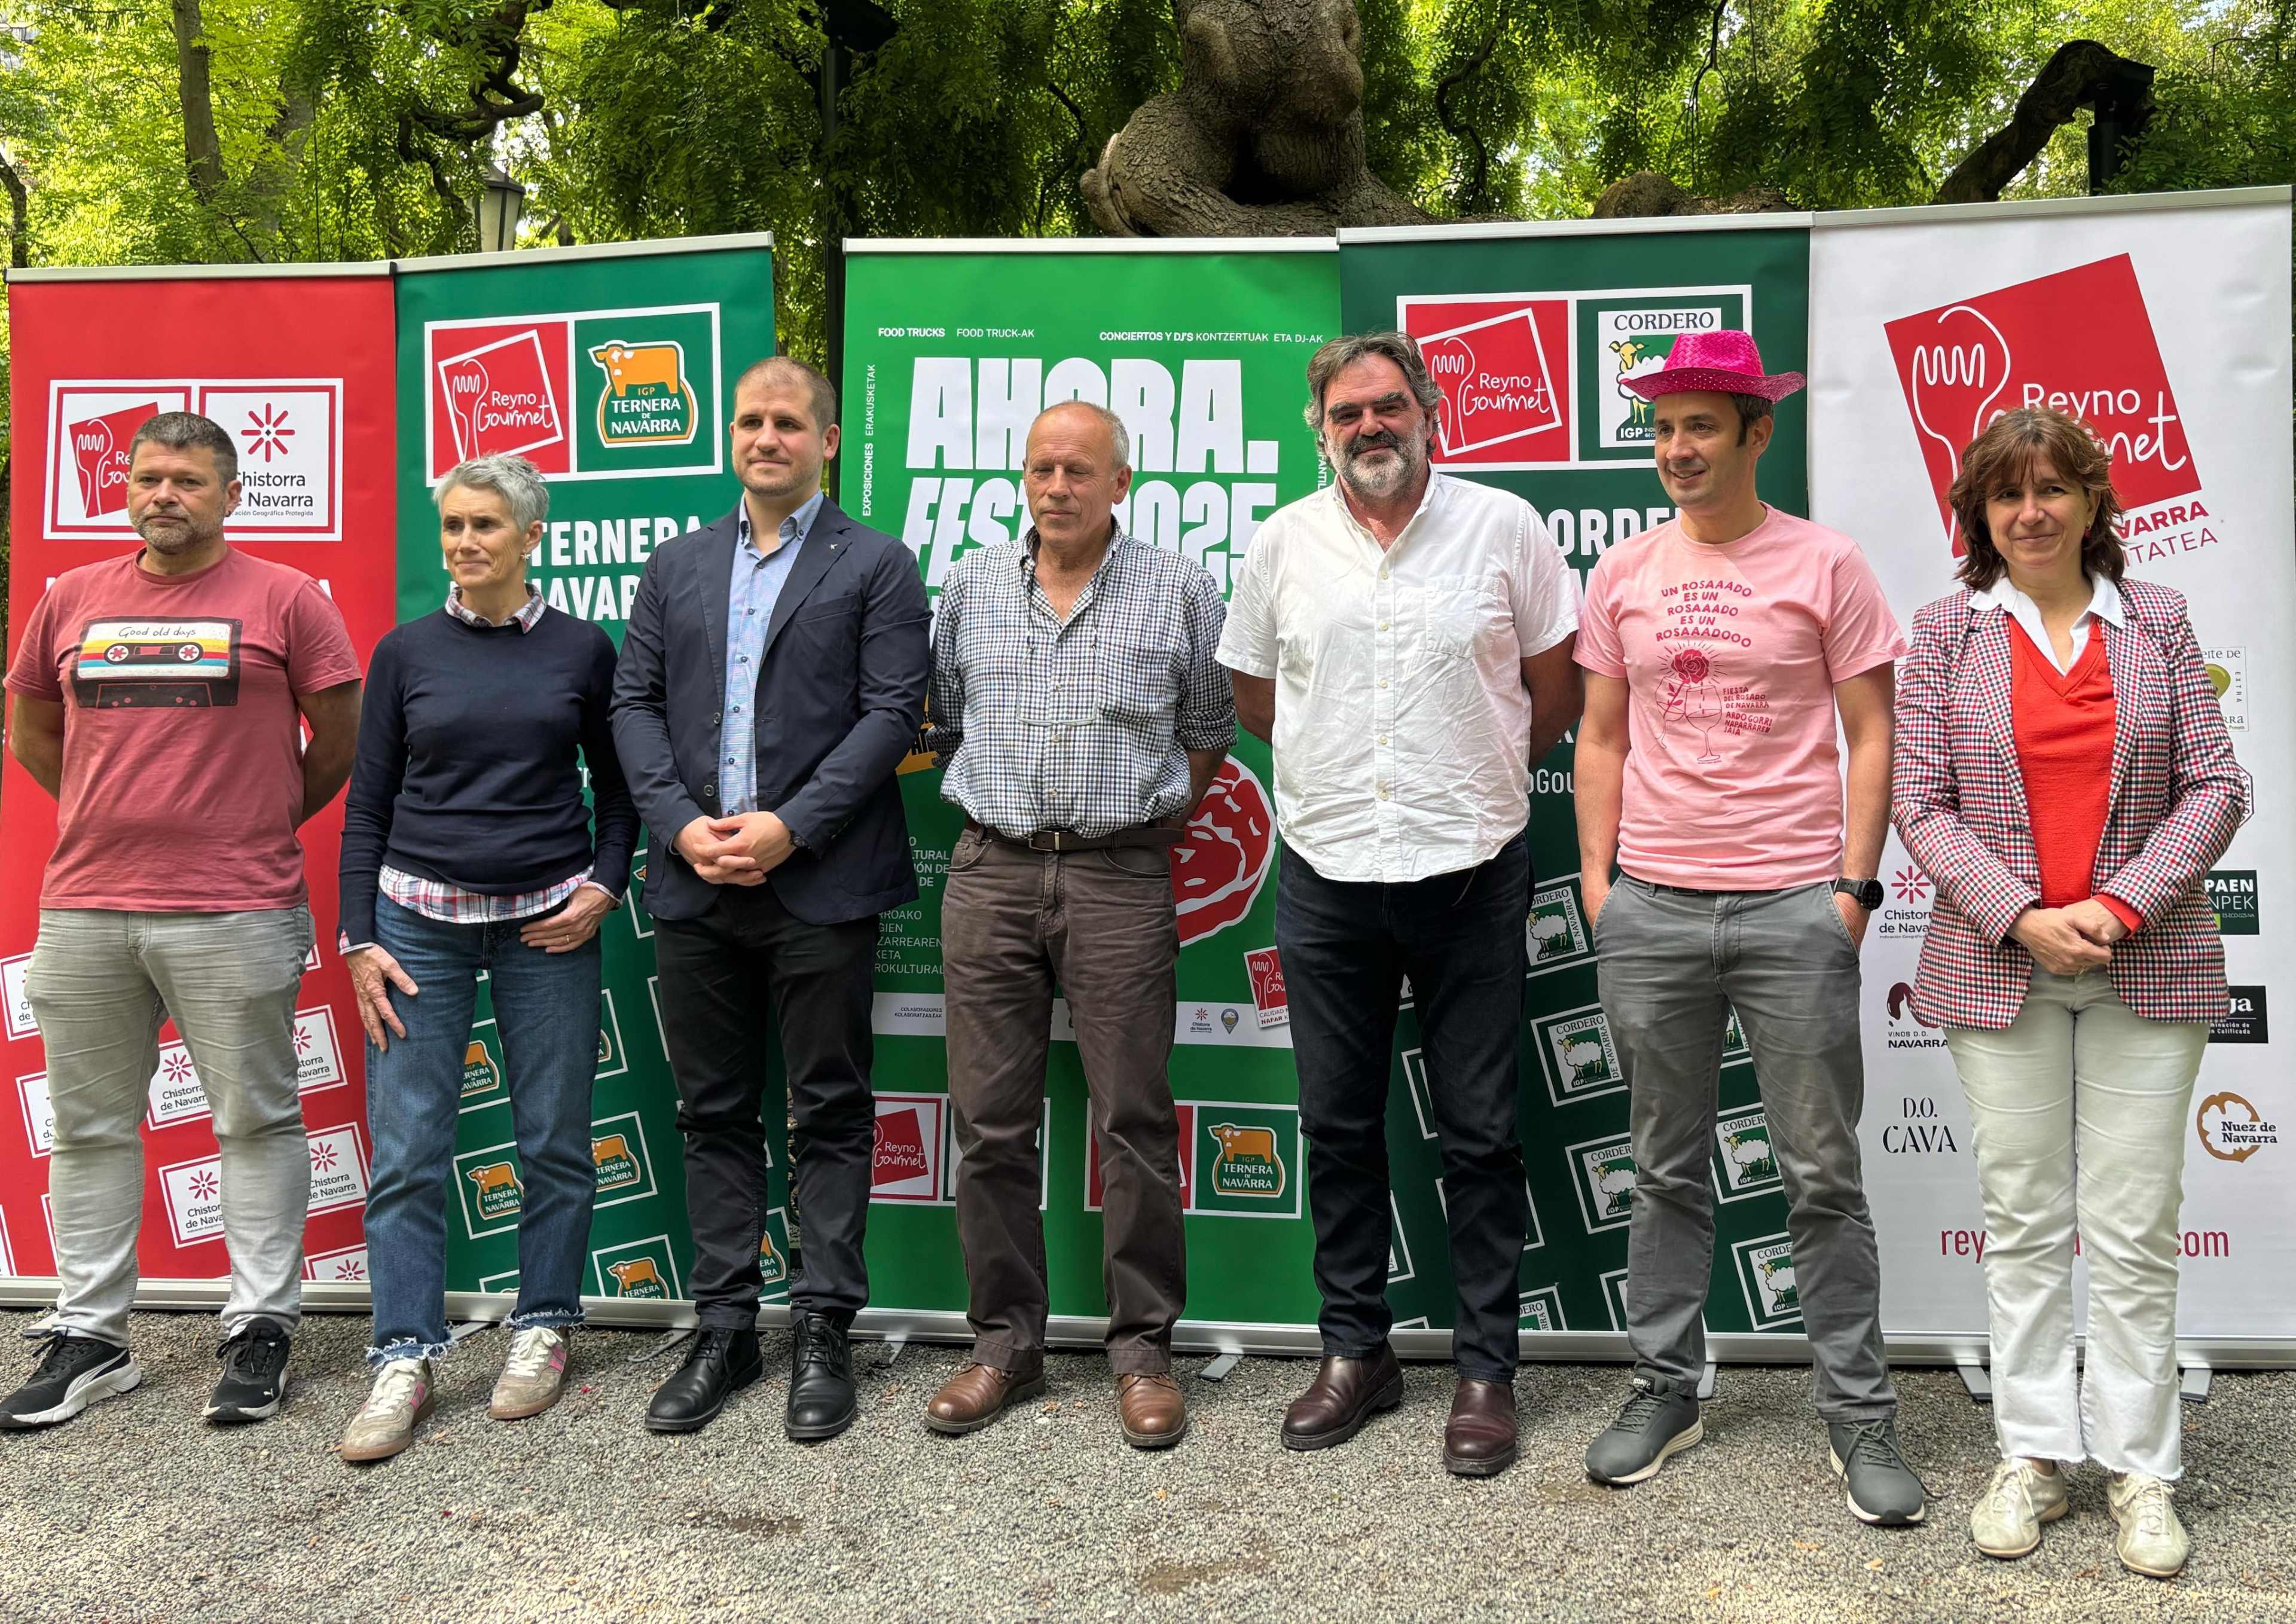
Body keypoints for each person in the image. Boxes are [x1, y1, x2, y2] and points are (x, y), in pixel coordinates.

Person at [1573, 330, 1926, 1526]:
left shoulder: (1826, 564)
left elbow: (1873, 731)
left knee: (1822, 1173)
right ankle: (1668, 1384)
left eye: (1702, 427)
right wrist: (1597, 883)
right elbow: (1602, 736)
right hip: (1653, 907)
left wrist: (1852, 889)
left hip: (1793, 908)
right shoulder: (1621, 572)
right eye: (1664, 429)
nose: (1678, 449)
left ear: (1755, 433)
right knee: (1664, 1167)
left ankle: (1860, 1412)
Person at [1894, 406, 2248, 1577]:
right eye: (2007, 494)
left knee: (2137, 1226)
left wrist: (2119, 905)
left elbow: (2215, 783)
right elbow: (1921, 804)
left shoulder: (2159, 620)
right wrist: (2023, 916)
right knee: (2028, 1220)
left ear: (2094, 503)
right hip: (2004, 971)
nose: (2031, 510)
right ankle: (2036, 1451)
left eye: (2053, 489)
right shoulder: (1946, 631)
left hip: (2147, 962)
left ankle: (2143, 1468)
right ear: (1981, 516)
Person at [1219, 331, 1581, 1478]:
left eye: (1389, 406)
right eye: (1347, 413)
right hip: (1327, 875)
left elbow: (1557, 690)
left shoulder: (1505, 528)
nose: (1370, 427)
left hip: (1472, 873)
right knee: (1336, 1126)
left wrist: (1464, 774)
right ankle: (1356, 1353)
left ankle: (1486, 1372)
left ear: (1431, 410)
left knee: (1478, 1133)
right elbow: (1257, 696)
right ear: (1319, 428)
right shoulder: (1283, 542)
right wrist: (1343, 778)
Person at [0, 411, 362, 1430]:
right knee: (90, 1129)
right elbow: (32, 725)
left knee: (254, 1118)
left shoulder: (287, 599)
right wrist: (107, 814)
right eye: (149, 477)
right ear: (126, 488)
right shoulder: (70, 598)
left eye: (189, 481)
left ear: (231, 495)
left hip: (237, 905)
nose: (165, 495)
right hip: (84, 906)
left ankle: (259, 1331)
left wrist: (252, 820)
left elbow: (335, 738)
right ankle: (91, 1336)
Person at [612, 356, 930, 1440]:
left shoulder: (877, 565)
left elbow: (893, 715)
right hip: (696, 879)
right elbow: (634, 706)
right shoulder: (676, 565)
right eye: (750, 420)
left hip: (821, 882)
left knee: (830, 1109)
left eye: (788, 422)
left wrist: (790, 826)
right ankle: (726, 1329)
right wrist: (681, 826)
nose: (765, 438)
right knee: (712, 1111)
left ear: (827, 441)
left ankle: (824, 1328)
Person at [921, 401, 1233, 1448]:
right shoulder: (967, 584)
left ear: (1122, 482)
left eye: (1080, 471)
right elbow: (946, 716)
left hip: (1118, 877)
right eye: (1043, 468)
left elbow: (1206, 732)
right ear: (1023, 477)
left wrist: (1135, 829)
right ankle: (1003, 1343)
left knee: (1135, 1122)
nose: (1059, 487)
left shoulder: (1180, 587)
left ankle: (1143, 1352)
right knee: (990, 1123)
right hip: (991, 871)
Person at [331, 454, 637, 1463]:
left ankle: (543, 1324)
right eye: (454, 526)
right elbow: (368, 802)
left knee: (553, 1137)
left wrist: (603, 886)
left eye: (486, 527)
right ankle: (404, 1354)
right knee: (411, 1148)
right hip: (416, 924)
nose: (465, 543)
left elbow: (621, 790)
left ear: (531, 536)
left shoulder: (584, 650)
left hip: (547, 924)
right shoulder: (406, 652)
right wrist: (360, 937)